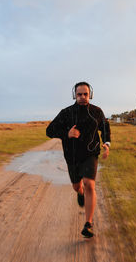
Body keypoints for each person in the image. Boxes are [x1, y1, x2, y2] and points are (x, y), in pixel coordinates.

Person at [46, 81, 111, 238]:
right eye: (79, 94)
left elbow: (105, 128)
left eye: (85, 94)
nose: (82, 97)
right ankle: (79, 192)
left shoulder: (96, 111)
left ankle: (88, 224)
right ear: (74, 95)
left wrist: (106, 144)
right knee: (77, 186)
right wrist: (66, 133)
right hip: (72, 156)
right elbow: (50, 130)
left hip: (90, 154)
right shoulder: (66, 113)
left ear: (90, 95)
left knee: (90, 184)